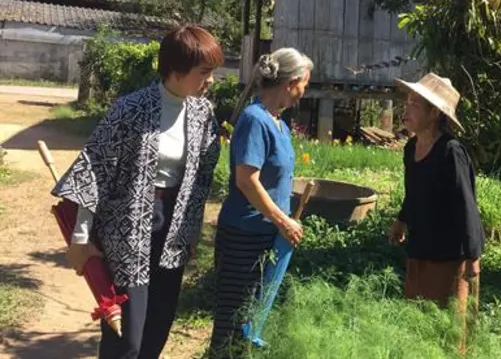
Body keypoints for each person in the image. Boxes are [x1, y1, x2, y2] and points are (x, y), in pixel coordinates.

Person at [52, 24, 224, 359]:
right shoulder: (131, 109)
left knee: (157, 328)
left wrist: (193, 231)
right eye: (204, 72)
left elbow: (202, 178)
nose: (211, 80)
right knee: (126, 337)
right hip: (127, 230)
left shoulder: (203, 113)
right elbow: (95, 170)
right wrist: (81, 237)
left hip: (173, 229)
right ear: (176, 70)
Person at [207, 48, 313, 357]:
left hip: (267, 235)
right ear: (291, 82)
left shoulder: (278, 121)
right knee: (233, 322)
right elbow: (246, 180)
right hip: (244, 235)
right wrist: (284, 220)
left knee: (253, 320)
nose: (303, 93)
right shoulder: (255, 120)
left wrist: (282, 223)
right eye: (305, 83)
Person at [388, 73, 485, 313]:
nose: (407, 109)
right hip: (419, 248)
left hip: (448, 257)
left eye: (416, 105)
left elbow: (466, 205)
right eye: (407, 101)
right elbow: (414, 192)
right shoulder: (411, 148)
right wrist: (401, 220)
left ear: (435, 114)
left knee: (447, 331)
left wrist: (473, 257)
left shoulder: (450, 152)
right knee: (418, 325)